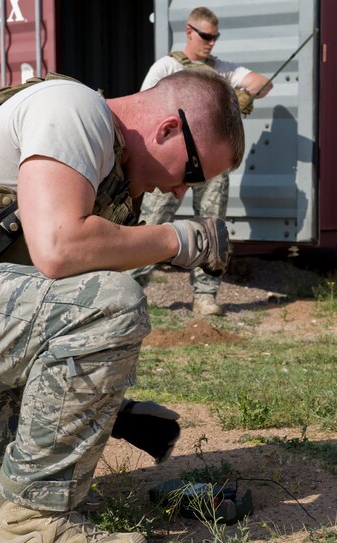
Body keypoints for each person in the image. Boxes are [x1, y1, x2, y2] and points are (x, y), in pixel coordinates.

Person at [0, 68, 244, 543]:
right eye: (190, 172)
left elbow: (31, 312)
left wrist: (112, 409)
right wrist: (176, 240)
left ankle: (10, 514)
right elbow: (59, 249)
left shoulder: (107, 175)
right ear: (168, 128)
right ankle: (28, 530)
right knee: (110, 302)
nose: (177, 188)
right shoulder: (74, 109)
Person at [132, 6, 273, 316]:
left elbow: (264, 83)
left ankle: (206, 296)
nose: (211, 42)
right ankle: (129, 290)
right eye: (206, 36)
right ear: (189, 32)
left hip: (211, 164)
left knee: (211, 227)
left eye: (215, 37)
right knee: (152, 223)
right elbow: (143, 107)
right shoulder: (167, 67)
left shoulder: (222, 69)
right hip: (172, 162)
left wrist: (240, 95)